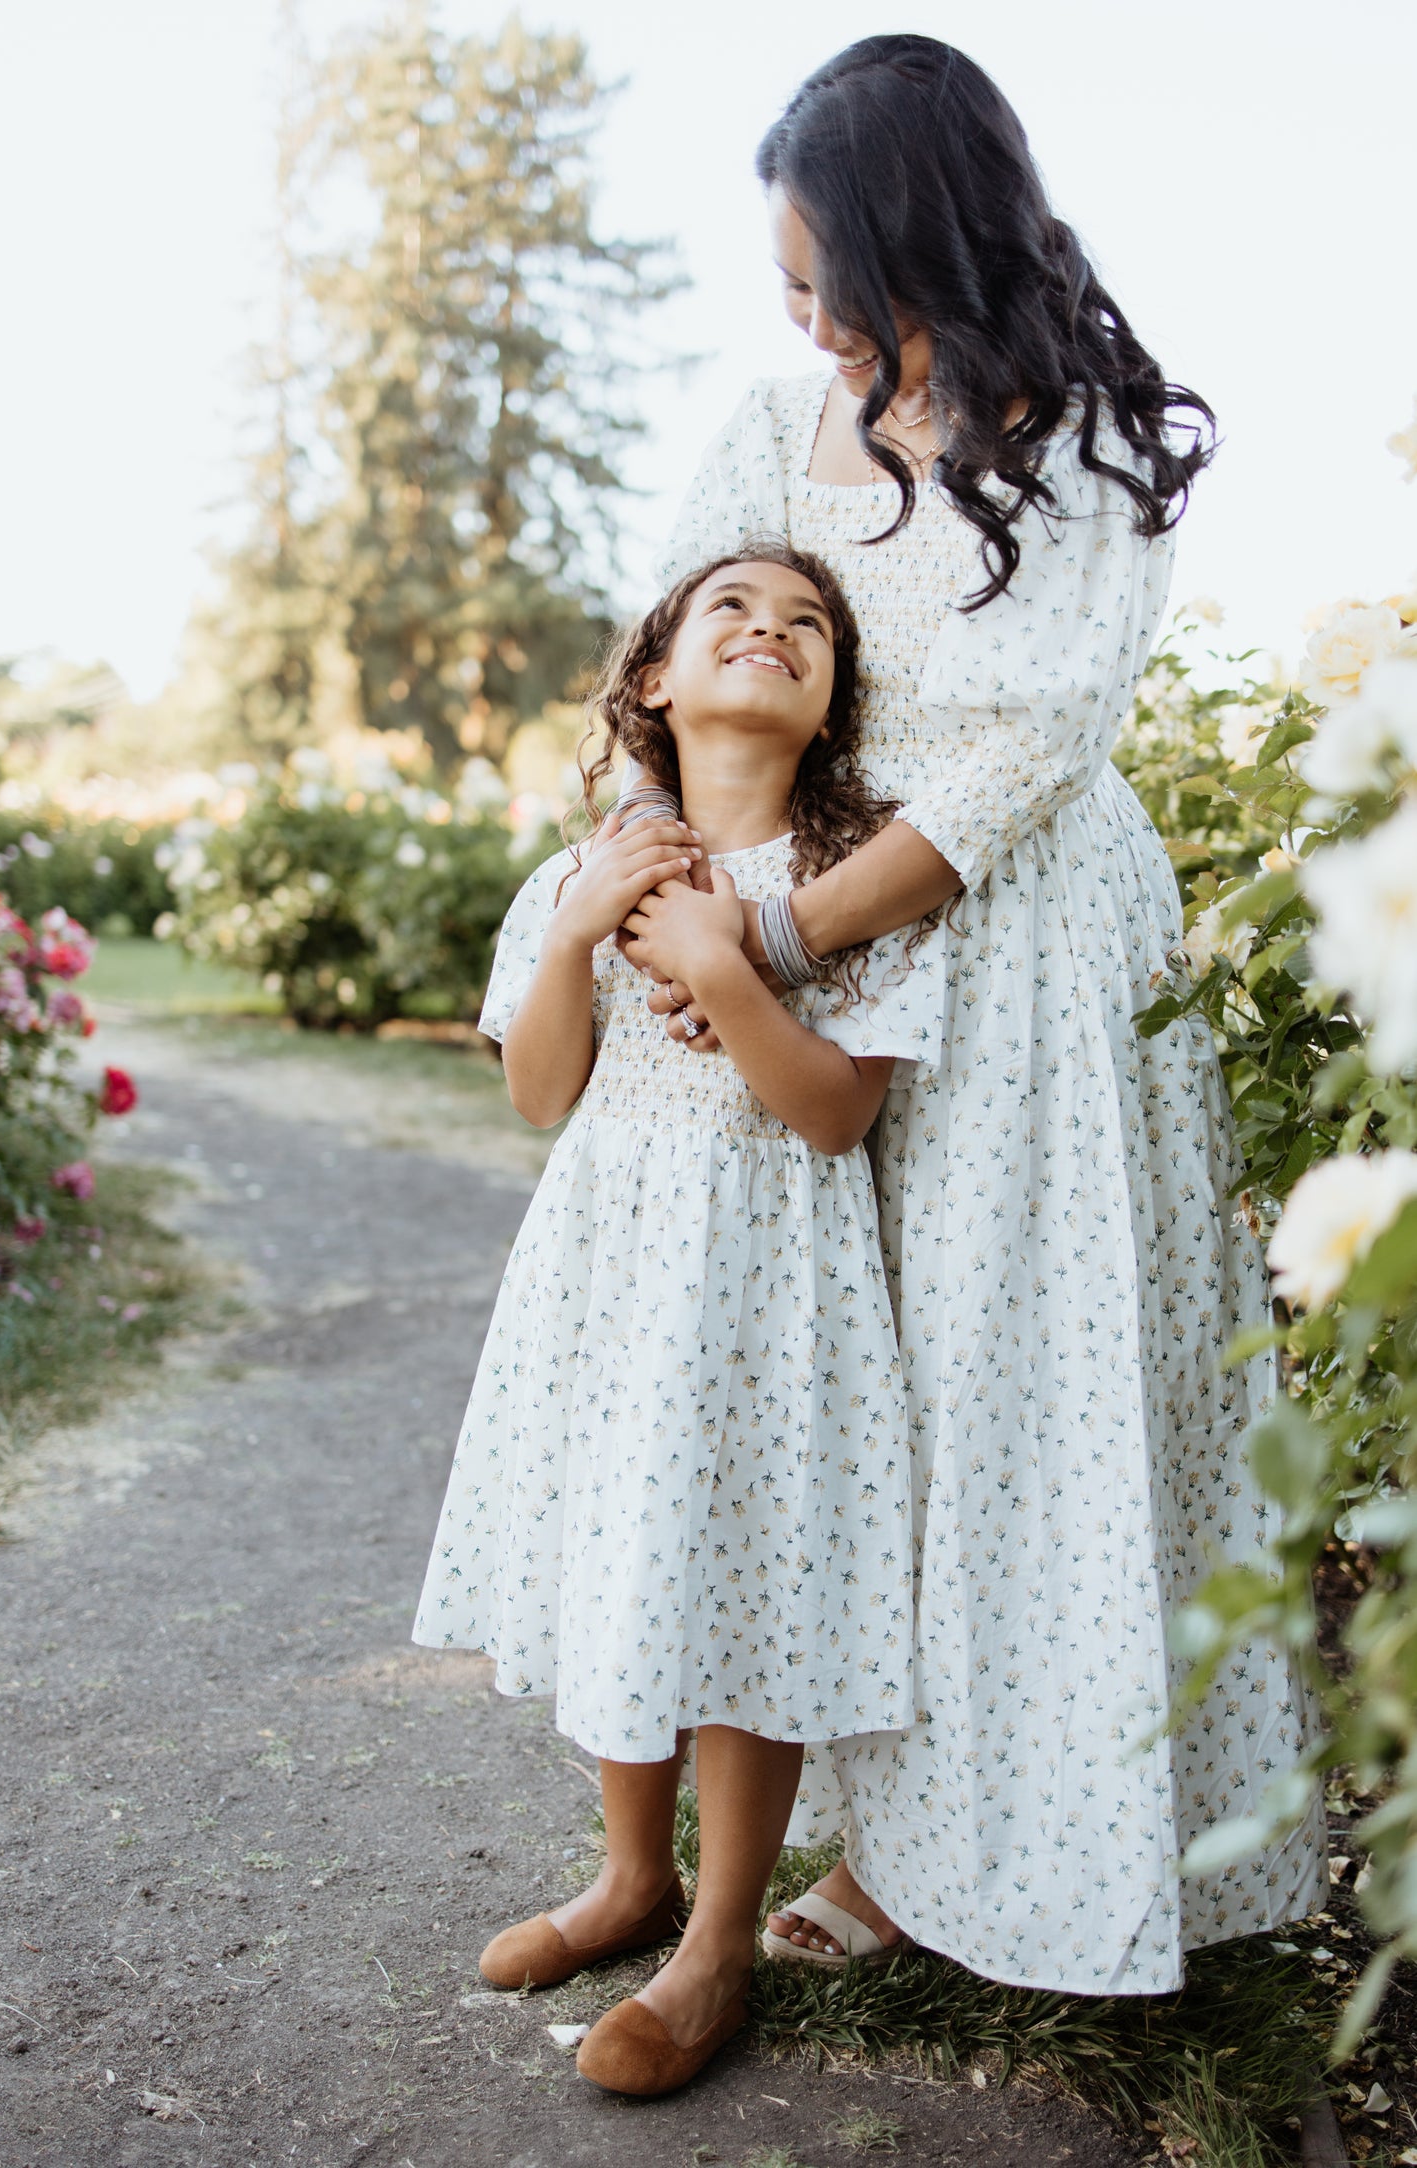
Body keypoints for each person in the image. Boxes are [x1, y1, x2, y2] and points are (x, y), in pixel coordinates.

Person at [618, 35, 1325, 1995]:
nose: (807, 322)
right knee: (862, 1393)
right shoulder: (774, 428)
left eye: (826, 280)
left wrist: (788, 936)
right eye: (782, 288)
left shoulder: (1090, 441)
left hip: (1026, 958)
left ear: (923, 235)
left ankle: (1059, 1844)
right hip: (797, 951)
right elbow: (658, 670)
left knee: (1040, 1392)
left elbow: (1022, 756)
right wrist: (670, 909)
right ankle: (875, 1833)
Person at [414, 546, 928, 2096]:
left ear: (831, 697)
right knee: (624, 1556)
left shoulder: (857, 892)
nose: (770, 632)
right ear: (652, 681)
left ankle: (713, 1944)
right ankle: (626, 1878)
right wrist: (579, 933)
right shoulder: (571, 877)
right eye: (731, 612)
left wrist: (727, 963)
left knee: (746, 1580)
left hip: (774, 1290)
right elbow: (538, 1090)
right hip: (608, 1278)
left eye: (807, 625)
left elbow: (836, 1115)